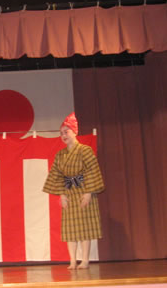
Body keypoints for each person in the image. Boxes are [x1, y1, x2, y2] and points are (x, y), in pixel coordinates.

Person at [43, 113, 105, 270]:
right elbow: (56, 176)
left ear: (75, 132)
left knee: (84, 228)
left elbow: (92, 170)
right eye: (61, 133)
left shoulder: (85, 150)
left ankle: (84, 260)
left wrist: (89, 192)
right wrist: (62, 195)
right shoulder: (60, 155)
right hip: (69, 193)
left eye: (66, 132)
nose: (64, 135)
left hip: (84, 191)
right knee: (70, 229)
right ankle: (72, 260)